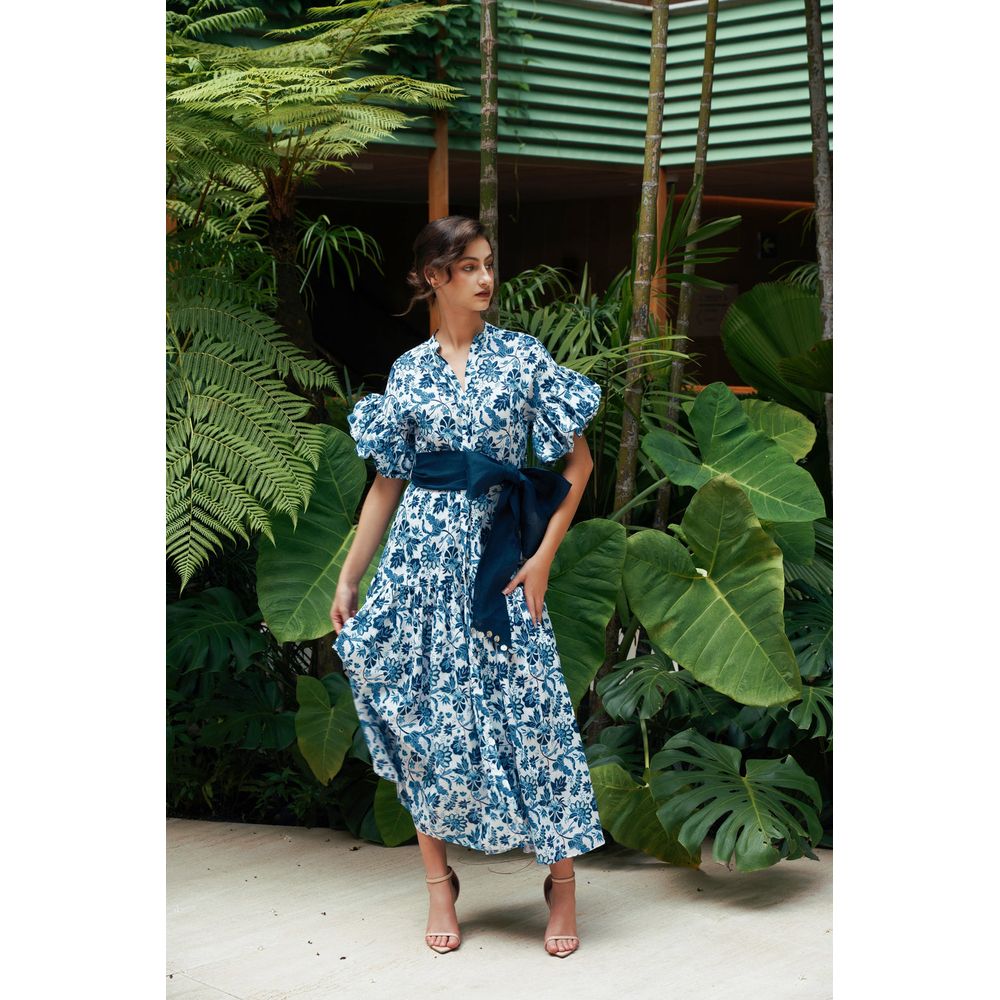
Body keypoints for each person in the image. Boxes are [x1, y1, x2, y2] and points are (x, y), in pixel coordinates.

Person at [330, 215, 605, 959]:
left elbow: (578, 466)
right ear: (434, 277)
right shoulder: (408, 373)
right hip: (419, 570)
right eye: (470, 266)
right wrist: (351, 577)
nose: (486, 278)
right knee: (425, 722)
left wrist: (542, 558)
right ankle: (439, 886)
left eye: (489, 264)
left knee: (537, 719)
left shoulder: (521, 358)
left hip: (502, 560)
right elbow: (387, 486)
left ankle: (562, 886)